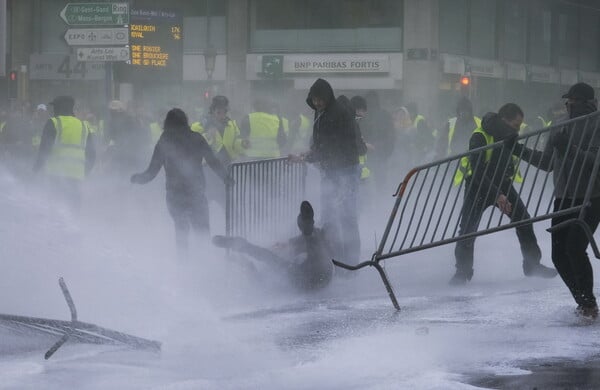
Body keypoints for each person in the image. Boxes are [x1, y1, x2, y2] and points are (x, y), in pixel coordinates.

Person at [513, 82, 600, 319]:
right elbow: (546, 163)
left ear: (586, 103)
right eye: (567, 101)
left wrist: (570, 149)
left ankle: (589, 303)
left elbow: (595, 162)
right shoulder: (559, 126)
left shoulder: (597, 124)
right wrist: (518, 150)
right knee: (559, 254)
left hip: (591, 198)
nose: (568, 105)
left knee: (575, 248)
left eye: (573, 101)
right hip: (563, 197)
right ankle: (581, 301)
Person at [451, 103, 557, 285]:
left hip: (503, 184)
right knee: (467, 229)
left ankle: (532, 265)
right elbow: (477, 172)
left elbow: (523, 153)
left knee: (523, 220)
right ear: (504, 120)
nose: (517, 129)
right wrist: (497, 195)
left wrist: (547, 162)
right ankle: (462, 272)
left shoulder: (508, 137)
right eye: (515, 124)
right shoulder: (480, 136)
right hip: (479, 187)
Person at [130, 108, 232, 258]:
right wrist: (226, 178)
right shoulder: (197, 138)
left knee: (181, 229)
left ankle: (183, 264)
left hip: (175, 194)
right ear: (185, 121)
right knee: (202, 230)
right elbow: (213, 161)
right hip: (196, 192)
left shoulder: (164, 142)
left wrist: (137, 178)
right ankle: (206, 263)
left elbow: (152, 172)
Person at [289, 78, 362, 265]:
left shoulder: (336, 114)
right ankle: (334, 257)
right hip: (332, 170)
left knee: (346, 216)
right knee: (329, 214)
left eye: (320, 99)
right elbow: (322, 144)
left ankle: (351, 261)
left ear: (328, 97)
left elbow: (332, 147)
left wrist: (306, 158)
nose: (317, 103)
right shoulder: (321, 113)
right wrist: (310, 153)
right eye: (314, 100)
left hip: (345, 170)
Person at [212, 201, 334, 291]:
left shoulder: (313, 236)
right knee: (271, 259)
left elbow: (307, 235)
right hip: (321, 278)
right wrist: (288, 243)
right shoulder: (316, 234)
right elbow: (305, 236)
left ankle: (242, 249)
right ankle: (242, 249)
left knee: (268, 260)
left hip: (305, 280)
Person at [33, 96, 96, 210]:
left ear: (58, 108)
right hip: (76, 177)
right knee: (73, 210)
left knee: (55, 209)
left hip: (56, 175)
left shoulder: (53, 122)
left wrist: (36, 170)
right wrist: (84, 172)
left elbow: (44, 150)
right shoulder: (83, 126)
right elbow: (92, 155)